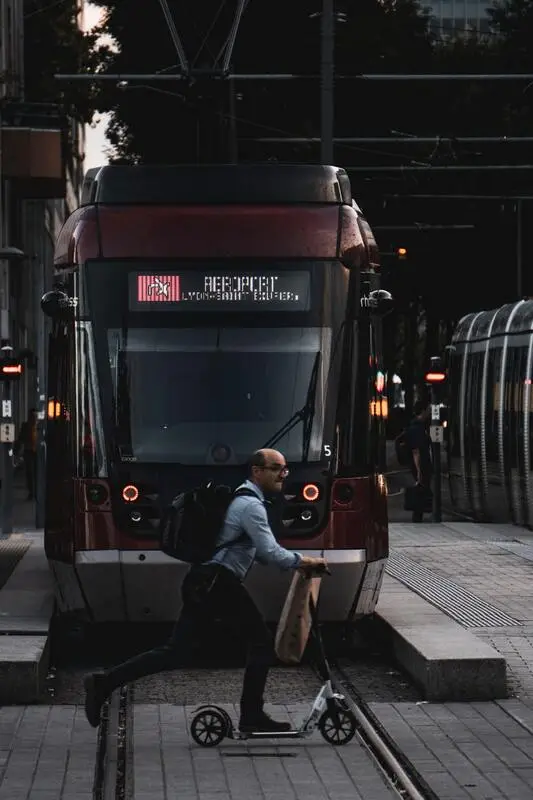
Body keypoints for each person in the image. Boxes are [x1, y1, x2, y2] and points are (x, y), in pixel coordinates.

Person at [83, 448, 327, 731]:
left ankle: (104, 683)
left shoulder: (244, 501)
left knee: (175, 651)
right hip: (217, 582)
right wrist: (306, 561)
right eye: (276, 469)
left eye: (284, 469)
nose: (283, 475)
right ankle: (252, 717)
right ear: (257, 471)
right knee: (260, 643)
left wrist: (291, 562)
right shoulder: (251, 506)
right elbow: (271, 553)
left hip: (203, 581)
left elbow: (258, 553)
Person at [405, 400, 432, 522]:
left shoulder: (419, 426)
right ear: (423, 411)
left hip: (421, 464)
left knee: (422, 489)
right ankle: (417, 517)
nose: (430, 412)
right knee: (421, 489)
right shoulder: (417, 428)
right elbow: (416, 451)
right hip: (421, 465)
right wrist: (419, 470)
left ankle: (419, 515)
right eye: (428, 410)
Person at [16, 409, 37, 500]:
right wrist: (16, 449)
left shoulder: (39, 426)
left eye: (35, 416)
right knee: (30, 472)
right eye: (32, 416)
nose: (33, 418)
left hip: (37, 452)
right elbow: (21, 438)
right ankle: (32, 492)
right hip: (28, 451)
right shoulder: (26, 426)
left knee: (36, 473)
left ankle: (35, 491)